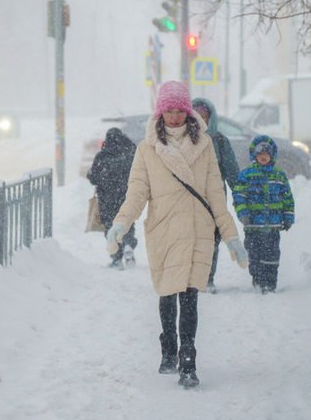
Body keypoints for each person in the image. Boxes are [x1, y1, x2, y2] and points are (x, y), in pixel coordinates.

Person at [106, 81, 248, 388]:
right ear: (160, 112)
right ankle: (168, 347)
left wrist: (231, 235)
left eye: (178, 111)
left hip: (198, 231)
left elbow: (215, 196)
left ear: (187, 111)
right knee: (167, 294)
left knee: (190, 296)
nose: (173, 117)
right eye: (167, 111)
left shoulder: (205, 145)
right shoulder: (147, 149)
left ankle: (188, 360)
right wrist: (121, 223)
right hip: (164, 231)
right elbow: (137, 193)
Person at [233, 135, 295, 293]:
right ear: (254, 157)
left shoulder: (279, 176)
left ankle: (270, 282)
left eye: (266, 156)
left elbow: (287, 199)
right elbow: (239, 197)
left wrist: (288, 217)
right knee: (254, 255)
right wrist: (244, 215)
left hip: (273, 225)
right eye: (260, 156)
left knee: (272, 256)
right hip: (253, 226)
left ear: (272, 157)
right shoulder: (246, 175)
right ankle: (258, 279)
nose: (263, 158)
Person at [192, 97, 240, 293]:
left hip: (215, 201)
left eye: (204, 116)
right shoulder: (182, 141)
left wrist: (241, 195)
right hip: (190, 200)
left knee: (211, 240)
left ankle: (208, 278)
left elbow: (232, 172)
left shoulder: (220, 142)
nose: (201, 120)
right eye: (197, 117)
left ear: (210, 118)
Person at [87, 127, 138, 270]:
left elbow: (93, 178)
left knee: (110, 227)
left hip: (107, 200)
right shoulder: (130, 154)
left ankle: (116, 259)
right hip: (127, 197)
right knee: (127, 224)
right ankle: (128, 244)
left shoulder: (102, 157)